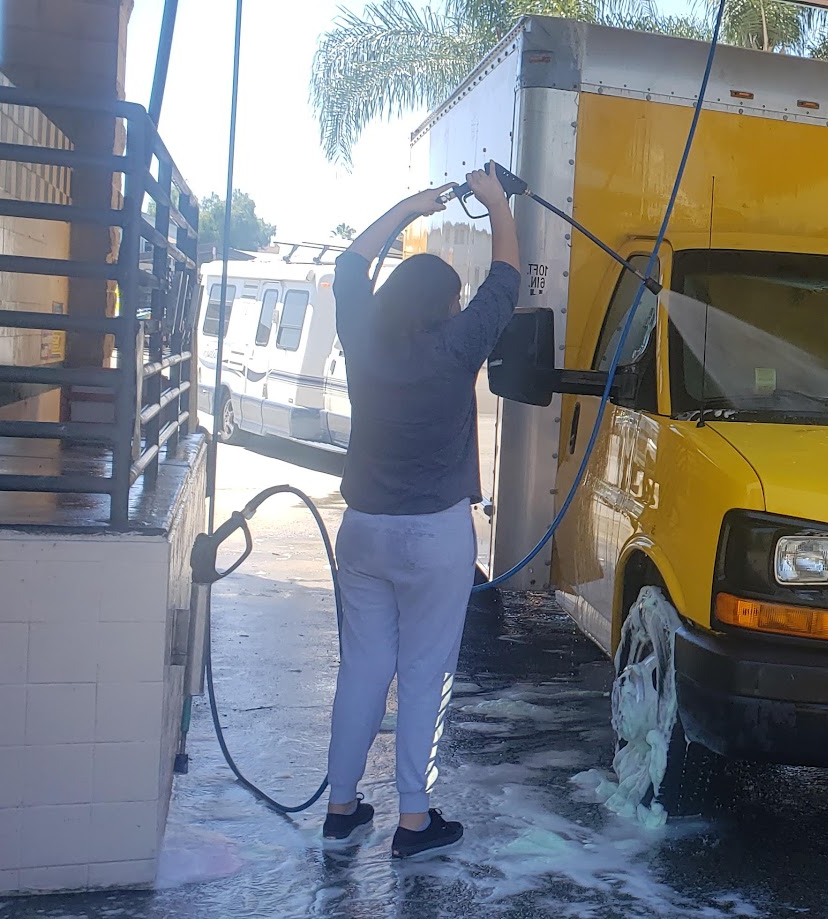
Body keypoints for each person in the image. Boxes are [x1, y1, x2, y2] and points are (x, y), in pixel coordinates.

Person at [319, 165, 521, 858]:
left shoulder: (363, 336)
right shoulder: (455, 346)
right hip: (434, 534)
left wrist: (411, 204)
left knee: (364, 668)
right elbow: (507, 282)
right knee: (424, 670)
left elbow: (352, 260)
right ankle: (413, 819)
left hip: (364, 531)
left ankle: (341, 808)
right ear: (444, 305)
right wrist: (497, 205)